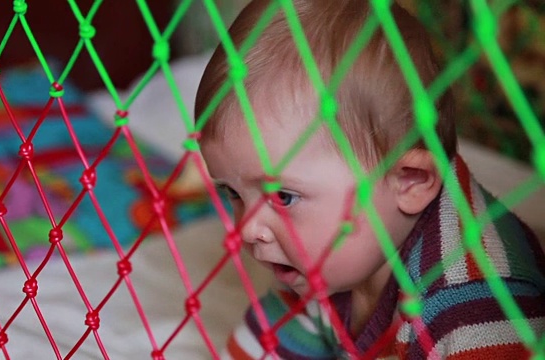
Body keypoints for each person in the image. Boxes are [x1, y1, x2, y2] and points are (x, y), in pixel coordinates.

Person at [194, 0, 545, 358]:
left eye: (283, 197)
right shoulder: (328, 256)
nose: (247, 230)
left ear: (410, 181)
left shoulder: (471, 306)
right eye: (231, 192)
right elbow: (263, 346)